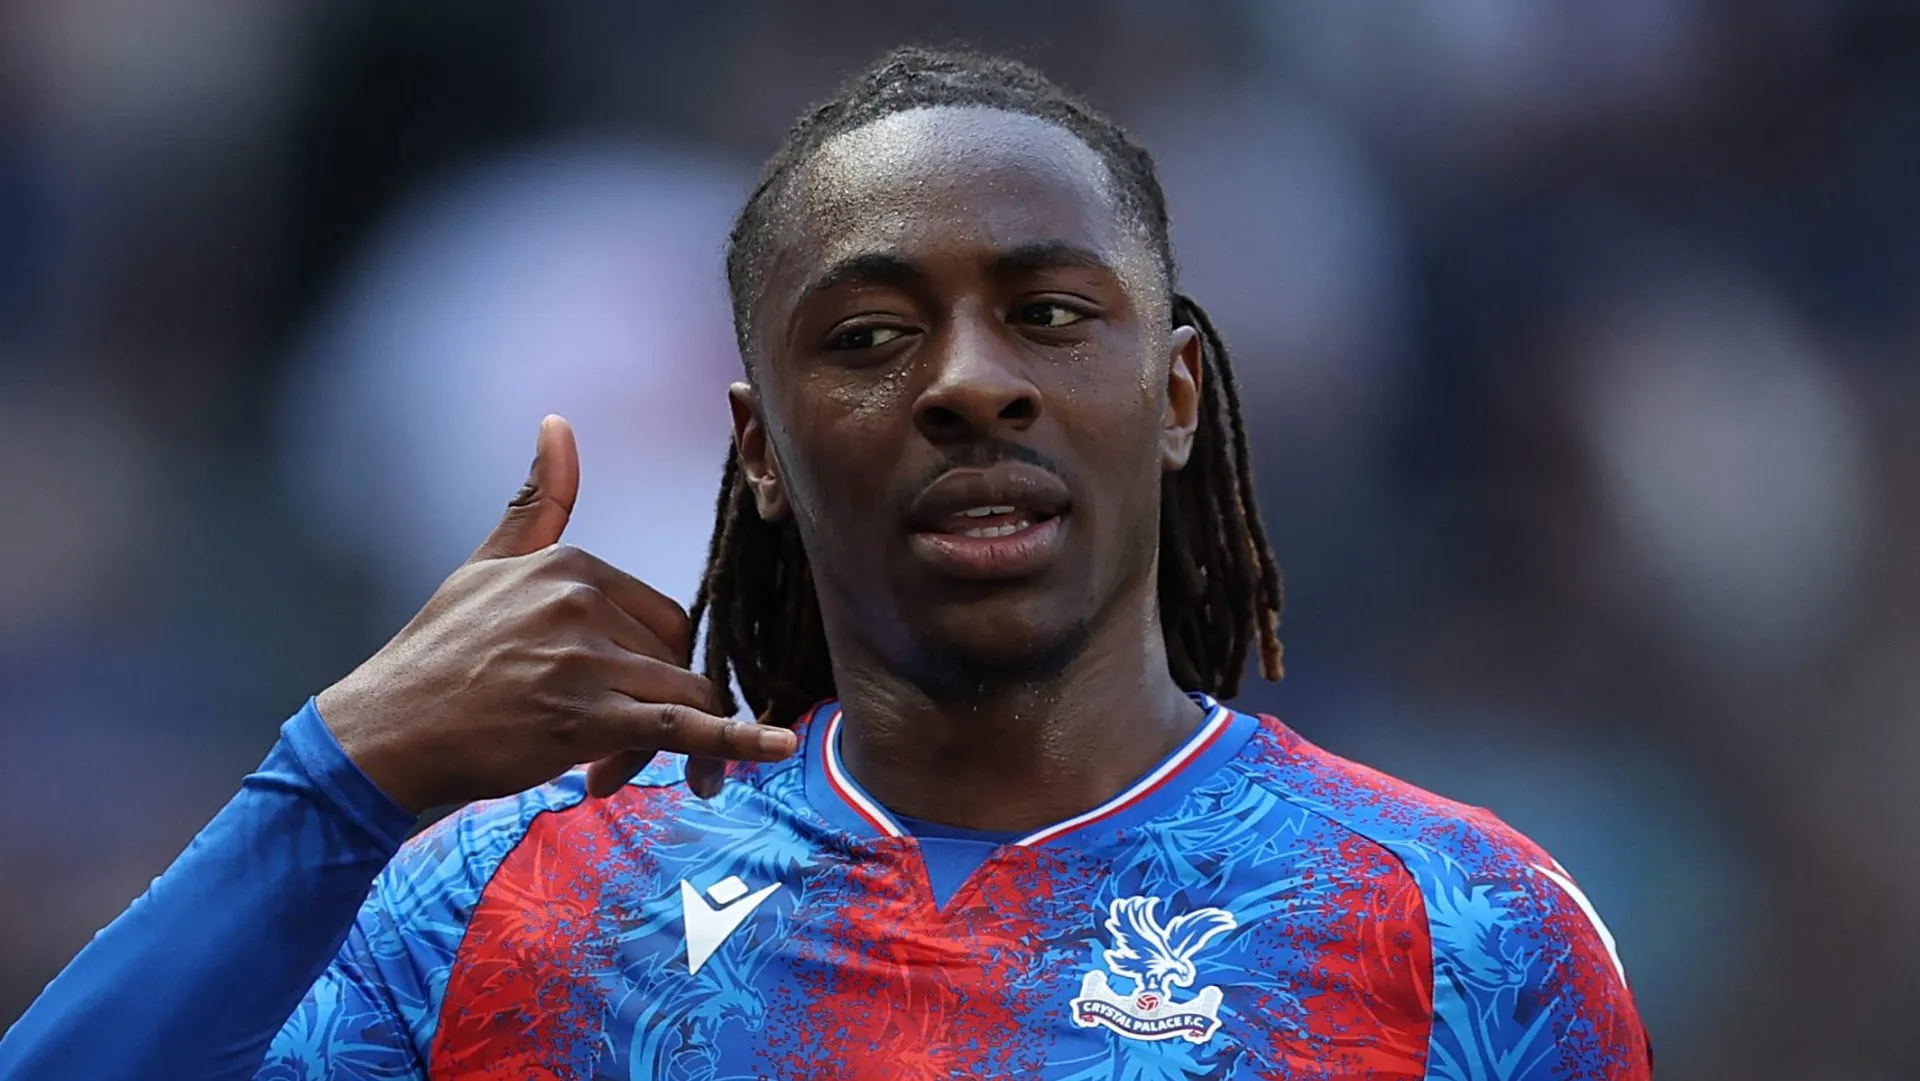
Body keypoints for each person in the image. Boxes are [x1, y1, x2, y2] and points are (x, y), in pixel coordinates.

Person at [0, 48, 1651, 1080]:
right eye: (867, 335)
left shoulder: (1463, 933)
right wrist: (338, 786)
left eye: (1052, 314)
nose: (967, 382)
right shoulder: (503, 909)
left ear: (1175, 396)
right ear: (758, 456)